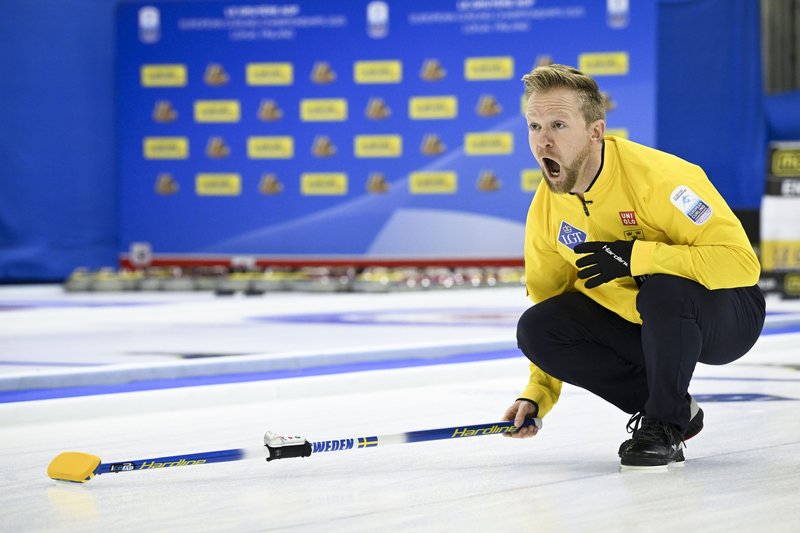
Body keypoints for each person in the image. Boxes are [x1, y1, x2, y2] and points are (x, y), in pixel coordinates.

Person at [502, 64, 765, 469]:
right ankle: (674, 410)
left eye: (558, 124)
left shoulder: (662, 179)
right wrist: (537, 393)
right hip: (646, 323)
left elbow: (741, 265)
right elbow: (549, 297)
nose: (544, 141)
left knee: (663, 287)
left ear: (595, 132)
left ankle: (661, 424)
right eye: (534, 127)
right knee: (539, 326)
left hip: (726, 313)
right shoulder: (547, 209)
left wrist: (636, 256)